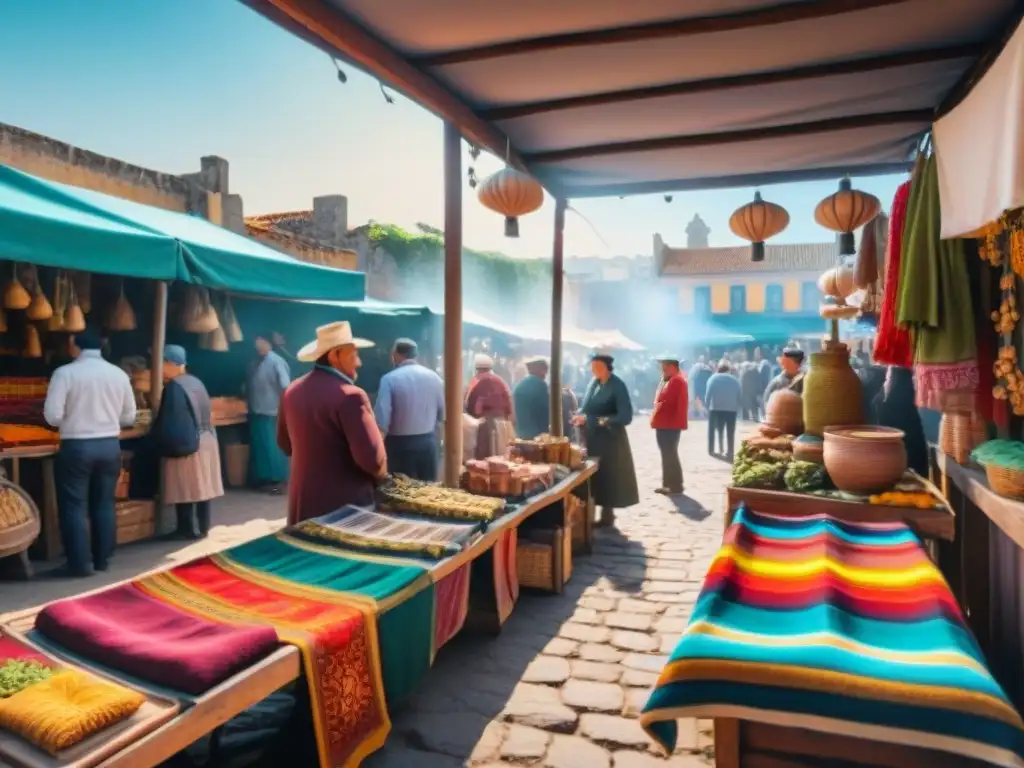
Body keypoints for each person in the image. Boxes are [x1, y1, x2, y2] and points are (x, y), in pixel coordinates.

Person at [43, 328, 135, 577]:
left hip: (77, 445)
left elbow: (52, 416)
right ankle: (102, 560)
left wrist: (75, 417)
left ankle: (79, 564)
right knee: (104, 503)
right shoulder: (118, 374)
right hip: (109, 446)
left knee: (74, 505)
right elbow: (129, 416)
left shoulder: (65, 373)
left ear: (75, 345)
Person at [277, 322, 386, 525]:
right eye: (354, 354)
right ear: (335, 355)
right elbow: (373, 461)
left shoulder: (291, 391)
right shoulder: (351, 396)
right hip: (344, 511)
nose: (359, 362)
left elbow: (285, 444)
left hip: (303, 507)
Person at [152, 345, 224, 540]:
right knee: (203, 488)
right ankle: (203, 526)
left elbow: (174, 419)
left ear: (171, 363)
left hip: (191, 441)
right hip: (207, 438)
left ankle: (185, 528)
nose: (160, 368)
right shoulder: (195, 381)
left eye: (162, 363)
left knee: (185, 487)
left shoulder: (175, 387)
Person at [573, 354, 639, 527]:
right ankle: (590, 513)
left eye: (597, 367)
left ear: (607, 367)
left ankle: (607, 515)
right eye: (592, 367)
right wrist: (578, 415)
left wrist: (594, 420)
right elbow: (586, 407)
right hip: (592, 438)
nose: (593, 370)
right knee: (594, 476)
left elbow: (625, 417)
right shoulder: (593, 383)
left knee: (608, 475)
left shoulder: (617, 385)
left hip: (611, 439)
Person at [375, 338, 444, 481]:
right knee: (428, 493)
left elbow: (382, 420)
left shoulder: (389, 379)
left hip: (399, 447)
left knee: (401, 494)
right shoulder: (435, 378)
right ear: (416, 355)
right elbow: (443, 414)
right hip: (428, 445)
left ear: (395, 355)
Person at [246, 334, 291, 494]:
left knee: (274, 447)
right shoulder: (257, 362)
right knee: (262, 447)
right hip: (258, 410)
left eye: (261, 342)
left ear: (269, 344)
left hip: (273, 411)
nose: (258, 345)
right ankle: (266, 480)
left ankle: (280, 481)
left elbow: (286, 387)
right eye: (256, 343)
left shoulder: (276, 361)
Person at [650, 353, 688, 495]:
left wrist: (658, 404)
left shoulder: (676, 381)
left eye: (664, 366)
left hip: (669, 424)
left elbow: (668, 402)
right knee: (668, 454)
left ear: (672, 366)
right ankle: (669, 484)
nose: (662, 369)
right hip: (667, 424)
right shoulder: (672, 380)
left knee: (669, 454)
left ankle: (675, 485)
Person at [465, 354, 514, 458]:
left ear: (477, 369)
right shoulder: (501, 382)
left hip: (483, 427)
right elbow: (509, 405)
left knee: (484, 459)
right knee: (501, 457)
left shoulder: (474, 382)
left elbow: (469, 407)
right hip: (502, 425)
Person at [704, 359, 742, 459]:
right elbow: (739, 395)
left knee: (712, 430)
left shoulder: (713, 378)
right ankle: (730, 452)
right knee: (730, 432)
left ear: (718, 369)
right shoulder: (735, 380)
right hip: (731, 410)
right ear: (729, 370)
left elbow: (708, 395)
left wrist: (706, 406)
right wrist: (738, 407)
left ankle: (711, 450)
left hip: (715, 409)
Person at [512, 356, 550, 439]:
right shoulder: (541, 385)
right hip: (537, 435)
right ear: (542, 370)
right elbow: (547, 409)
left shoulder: (519, 385)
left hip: (520, 434)